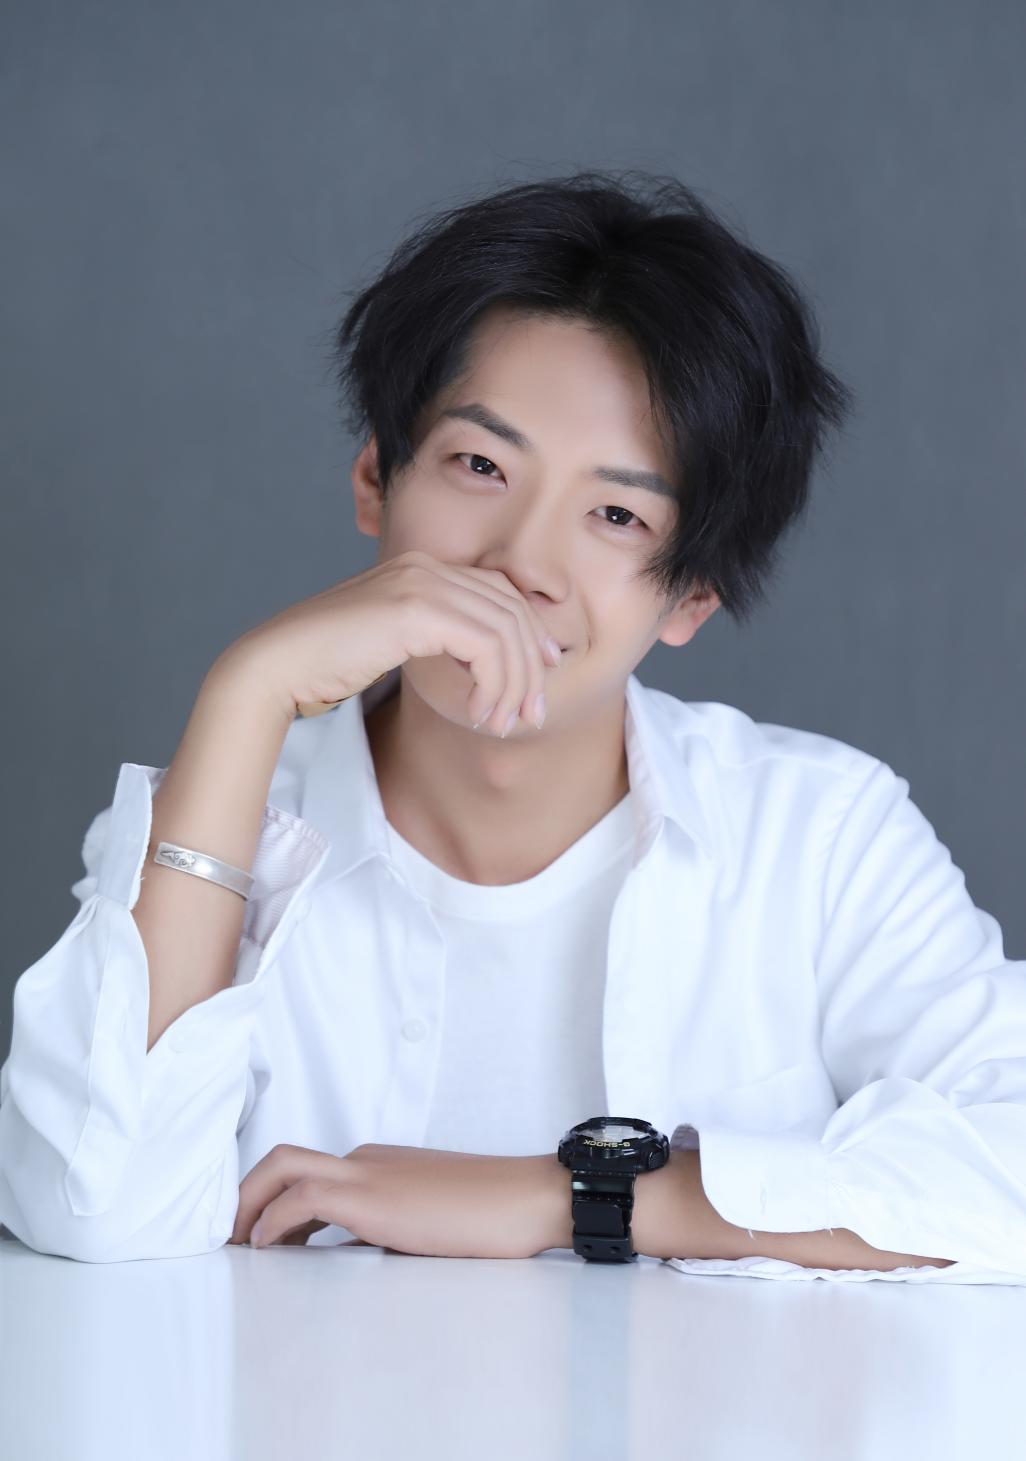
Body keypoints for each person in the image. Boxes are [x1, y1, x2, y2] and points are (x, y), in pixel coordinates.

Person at [2, 171, 1024, 1279]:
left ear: (691, 597)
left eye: (617, 513)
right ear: (375, 479)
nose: (523, 563)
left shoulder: (820, 834)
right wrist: (247, 689)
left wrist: (572, 1197)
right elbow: (93, 1210)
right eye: (481, 465)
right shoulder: (225, 811)